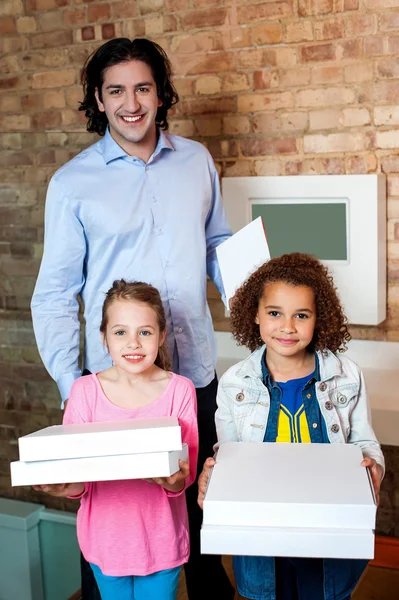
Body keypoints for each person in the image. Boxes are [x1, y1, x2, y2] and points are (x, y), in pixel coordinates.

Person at [31, 38, 234, 599]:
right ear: (97, 100)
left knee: (200, 527)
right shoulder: (72, 183)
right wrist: (75, 387)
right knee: (113, 527)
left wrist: (261, 320)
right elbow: (53, 294)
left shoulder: (196, 161)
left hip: (193, 375)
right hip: (114, 392)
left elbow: (218, 245)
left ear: (161, 93)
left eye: (143, 87)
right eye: (115, 90)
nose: (131, 103)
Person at [197, 252, 385, 600]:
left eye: (301, 315)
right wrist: (215, 475)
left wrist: (373, 468)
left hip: (329, 532)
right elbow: (229, 452)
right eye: (274, 314)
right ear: (254, 314)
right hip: (262, 536)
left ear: (319, 319)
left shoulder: (347, 376)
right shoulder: (236, 382)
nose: (287, 327)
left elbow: (365, 443)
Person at [34, 279, 199, 600]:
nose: (133, 343)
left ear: (162, 336)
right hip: (104, 544)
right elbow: (80, 482)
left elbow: (185, 476)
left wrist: (171, 481)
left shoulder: (180, 390)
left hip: (161, 541)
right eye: (121, 332)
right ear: (104, 339)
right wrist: (63, 486)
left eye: (145, 332)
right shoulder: (83, 393)